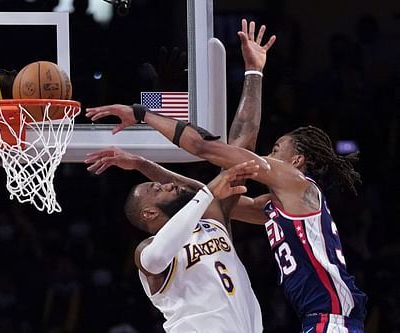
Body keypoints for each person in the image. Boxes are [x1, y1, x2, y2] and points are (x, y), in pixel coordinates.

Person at [85, 29, 367, 333]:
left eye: (275, 150)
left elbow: (211, 150)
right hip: (316, 318)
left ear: (297, 160)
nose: (268, 155)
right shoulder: (272, 208)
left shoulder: (294, 179)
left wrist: (143, 114)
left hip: (330, 317)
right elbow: (202, 193)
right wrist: (142, 164)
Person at [86, 148, 263, 332]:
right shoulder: (146, 248)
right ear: (150, 213)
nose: (168, 185)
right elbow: (156, 259)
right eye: (158, 189)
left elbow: (238, 150)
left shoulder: (211, 224)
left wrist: (140, 163)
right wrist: (207, 193)